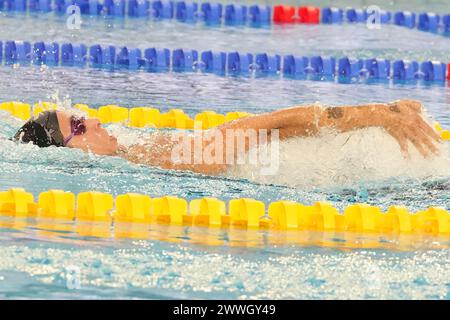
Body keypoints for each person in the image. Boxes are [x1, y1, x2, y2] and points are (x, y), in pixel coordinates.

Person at [12, 99, 442, 175]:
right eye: (80, 127)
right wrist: (383, 114)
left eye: (83, 115)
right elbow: (269, 126)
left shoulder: (140, 149)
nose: (96, 122)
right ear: (68, 154)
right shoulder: (159, 158)